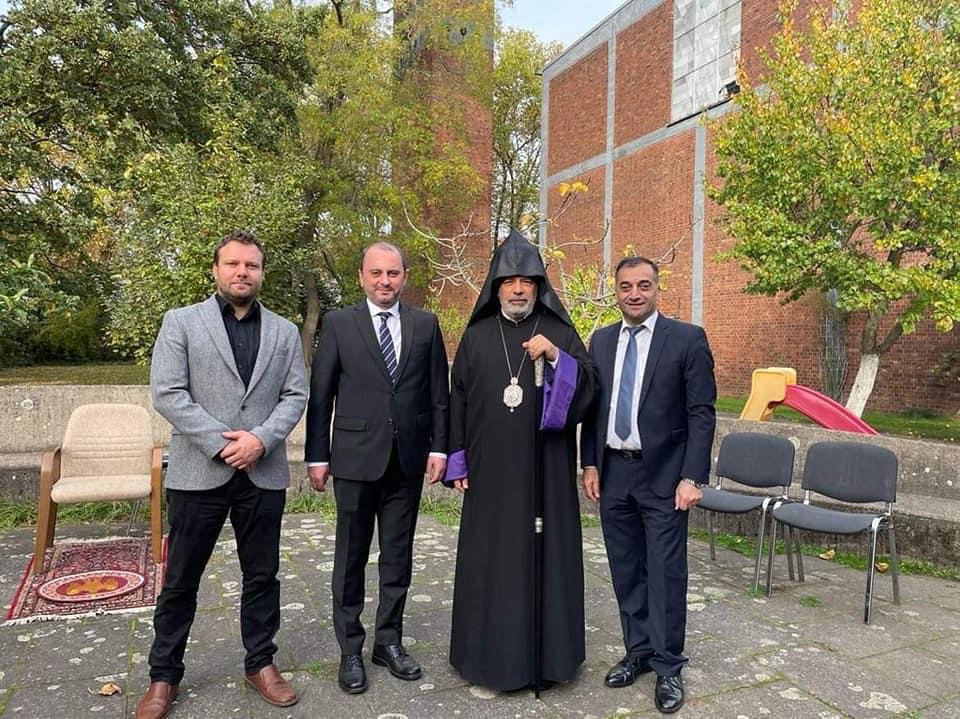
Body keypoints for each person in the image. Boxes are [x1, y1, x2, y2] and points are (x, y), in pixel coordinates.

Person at [137, 230, 308, 719]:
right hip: (198, 473)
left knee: (263, 576)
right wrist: (223, 443)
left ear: (261, 273)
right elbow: (168, 393)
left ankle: (261, 663)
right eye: (232, 264)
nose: (242, 272)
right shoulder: (181, 322)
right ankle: (163, 675)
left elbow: (296, 394)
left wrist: (260, 440)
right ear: (215, 270)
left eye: (251, 265)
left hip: (262, 472)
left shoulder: (283, 331)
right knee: (180, 579)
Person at [445, 229, 597, 692]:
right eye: (509, 281)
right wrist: (458, 461)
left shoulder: (559, 332)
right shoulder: (476, 336)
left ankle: (549, 660)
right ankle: (486, 658)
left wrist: (556, 359)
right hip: (490, 475)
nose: (517, 289)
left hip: (545, 473)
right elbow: (457, 400)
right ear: (496, 287)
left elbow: (590, 389)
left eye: (526, 281)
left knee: (546, 557)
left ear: (538, 286)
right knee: (490, 560)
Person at [305, 242, 449, 695]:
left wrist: (440, 449)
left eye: (393, 273)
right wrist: (317, 455)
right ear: (361, 277)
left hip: (406, 461)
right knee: (350, 558)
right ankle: (350, 649)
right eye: (376, 273)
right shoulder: (338, 324)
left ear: (404, 276)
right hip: (353, 459)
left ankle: (388, 641)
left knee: (397, 557)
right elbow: (321, 394)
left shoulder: (425, 325)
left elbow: (438, 395)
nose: (384, 281)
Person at [580, 255, 716, 714]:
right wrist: (589, 463)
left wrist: (692, 476)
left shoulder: (687, 339)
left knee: (665, 572)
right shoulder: (601, 340)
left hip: (665, 477)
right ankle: (637, 652)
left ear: (657, 289)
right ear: (615, 291)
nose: (634, 294)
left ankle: (668, 666)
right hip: (614, 474)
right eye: (625, 286)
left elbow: (701, 413)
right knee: (625, 569)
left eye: (643, 285)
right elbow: (593, 409)